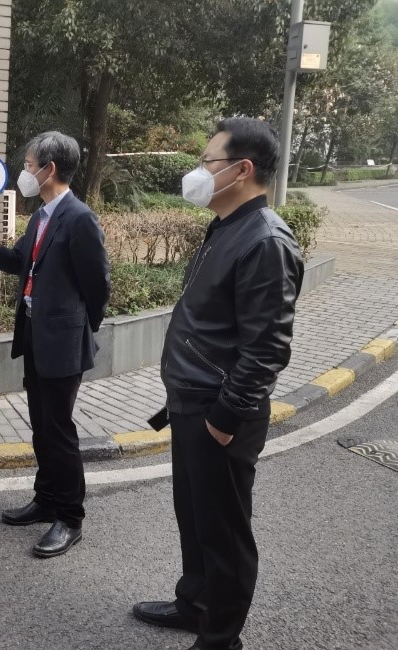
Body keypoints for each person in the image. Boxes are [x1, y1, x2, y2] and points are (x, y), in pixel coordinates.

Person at [132, 118, 304, 650]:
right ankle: (195, 604)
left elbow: (267, 348)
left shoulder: (266, 241)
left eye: (207, 162)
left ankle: (221, 639)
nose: (198, 172)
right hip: (192, 402)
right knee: (195, 516)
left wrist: (225, 418)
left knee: (224, 531)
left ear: (242, 170)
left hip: (219, 413)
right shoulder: (226, 226)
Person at [0, 131, 111, 558]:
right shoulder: (43, 216)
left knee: (59, 430)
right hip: (35, 334)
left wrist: (78, 328)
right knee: (41, 425)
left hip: (63, 342)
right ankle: (46, 499)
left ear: (49, 170)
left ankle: (69, 517)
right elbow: (22, 261)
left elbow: (98, 286)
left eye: (30, 165)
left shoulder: (79, 218)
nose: (26, 172)